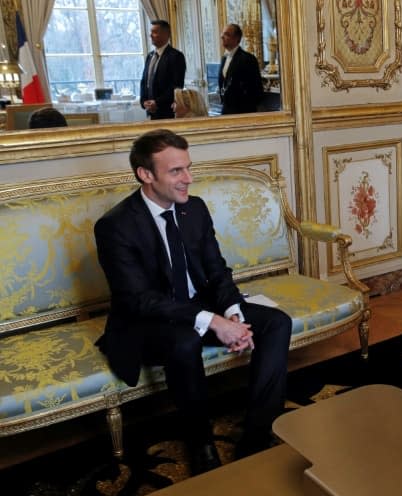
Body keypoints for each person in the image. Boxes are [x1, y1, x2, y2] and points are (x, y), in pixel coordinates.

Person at [94, 129, 291, 475]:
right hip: (146, 324)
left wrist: (233, 315)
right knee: (184, 340)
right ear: (146, 174)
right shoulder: (116, 226)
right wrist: (216, 323)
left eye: (188, 168)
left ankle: (258, 436)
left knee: (277, 322)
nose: (189, 178)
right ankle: (201, 446)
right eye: (176, 171)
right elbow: (140, 301)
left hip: (197, 309)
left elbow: (217, 272)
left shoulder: (194, 209)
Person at [140, 20, 186, 120]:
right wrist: (144, 101)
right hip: (151, 112)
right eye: (151, 32)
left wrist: (157, 103)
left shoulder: (176, 56)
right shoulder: (150, 56)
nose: (150, 35)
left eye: (154, 32)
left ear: (166, 35)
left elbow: (177, 85)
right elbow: (144, 81)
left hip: (167, 112)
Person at [218, 23, 264, 114]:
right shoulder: (224, 58)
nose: (222, 36)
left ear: (236, 39)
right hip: (226, 111)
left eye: (226, 34)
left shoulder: (248, 59)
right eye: (222, 33)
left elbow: (256, 90)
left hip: (242, 111)